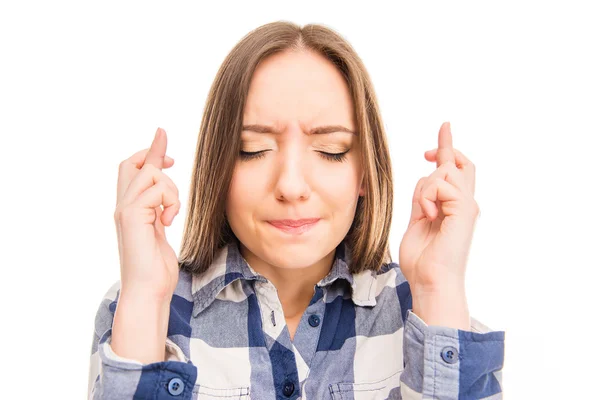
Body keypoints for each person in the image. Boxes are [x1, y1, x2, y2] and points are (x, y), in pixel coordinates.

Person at [87, 21, 505, 400]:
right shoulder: (147, 303)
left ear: (365, 172)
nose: (290, 186)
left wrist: (439, 286)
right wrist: (145, 296)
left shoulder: (418, 312)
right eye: (253, 150)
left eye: (330, 150)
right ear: (218, 166)